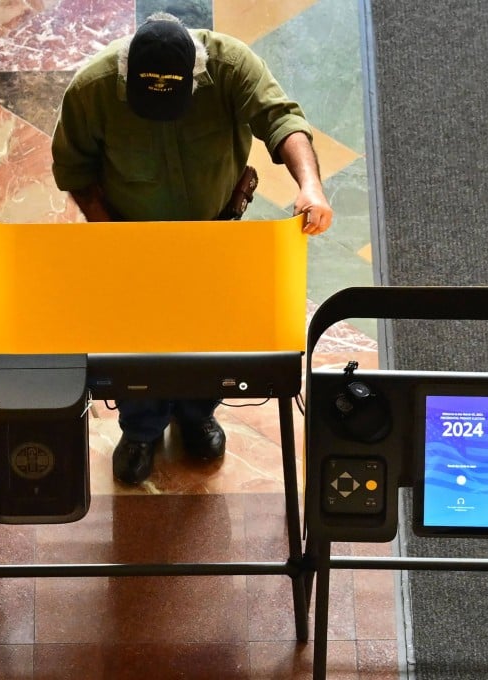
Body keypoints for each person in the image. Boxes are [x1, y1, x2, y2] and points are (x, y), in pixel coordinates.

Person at [50, 12, 333, 485]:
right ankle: (140, 430)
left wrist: (311, 187)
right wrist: (112, 238)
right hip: (133, 237)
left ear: (196, 73)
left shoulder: (230, 65)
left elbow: (281, 119)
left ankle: (197, 413)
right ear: (125, 73)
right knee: (138, 341)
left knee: (209, 332)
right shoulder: (91, 89)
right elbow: (75, 171)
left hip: (214, 231)